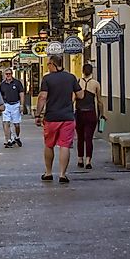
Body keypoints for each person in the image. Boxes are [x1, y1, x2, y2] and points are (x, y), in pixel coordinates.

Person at [35, 54, 84, 184]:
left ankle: (49, 172)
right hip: (67, 117)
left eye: (48, 64)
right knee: (65, 145)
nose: (47, 67)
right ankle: (62, 174)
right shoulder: (71, 77)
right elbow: (80, 94)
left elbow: (42, 97)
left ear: (52, 64)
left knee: (49, 144)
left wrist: (38, 114)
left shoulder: (47, 79)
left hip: (51, 117)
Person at [75, 63, 105, 169]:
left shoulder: (78, 83)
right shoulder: (96, 84)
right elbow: (100, 101)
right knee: (89, 138)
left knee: (80, 137)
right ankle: (88, 160)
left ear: (82, 71)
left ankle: (80, 159)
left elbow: (73, 99)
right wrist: (102, 114)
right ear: (92, 71)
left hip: (79, 113)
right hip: (91, 113)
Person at [0, 68, 25, 148]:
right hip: (6, 105)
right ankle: (8, 140)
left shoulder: (17, 83)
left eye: (9, 73)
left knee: (16, 124)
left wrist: (21, 105)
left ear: (12, 74)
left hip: (16, 105)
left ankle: (17, 137)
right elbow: (0, 96)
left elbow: (21, 94)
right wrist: (0, 107)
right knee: (6, 122)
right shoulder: (2, 85)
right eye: (6, 74)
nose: (8, 75)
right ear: (4, 75)